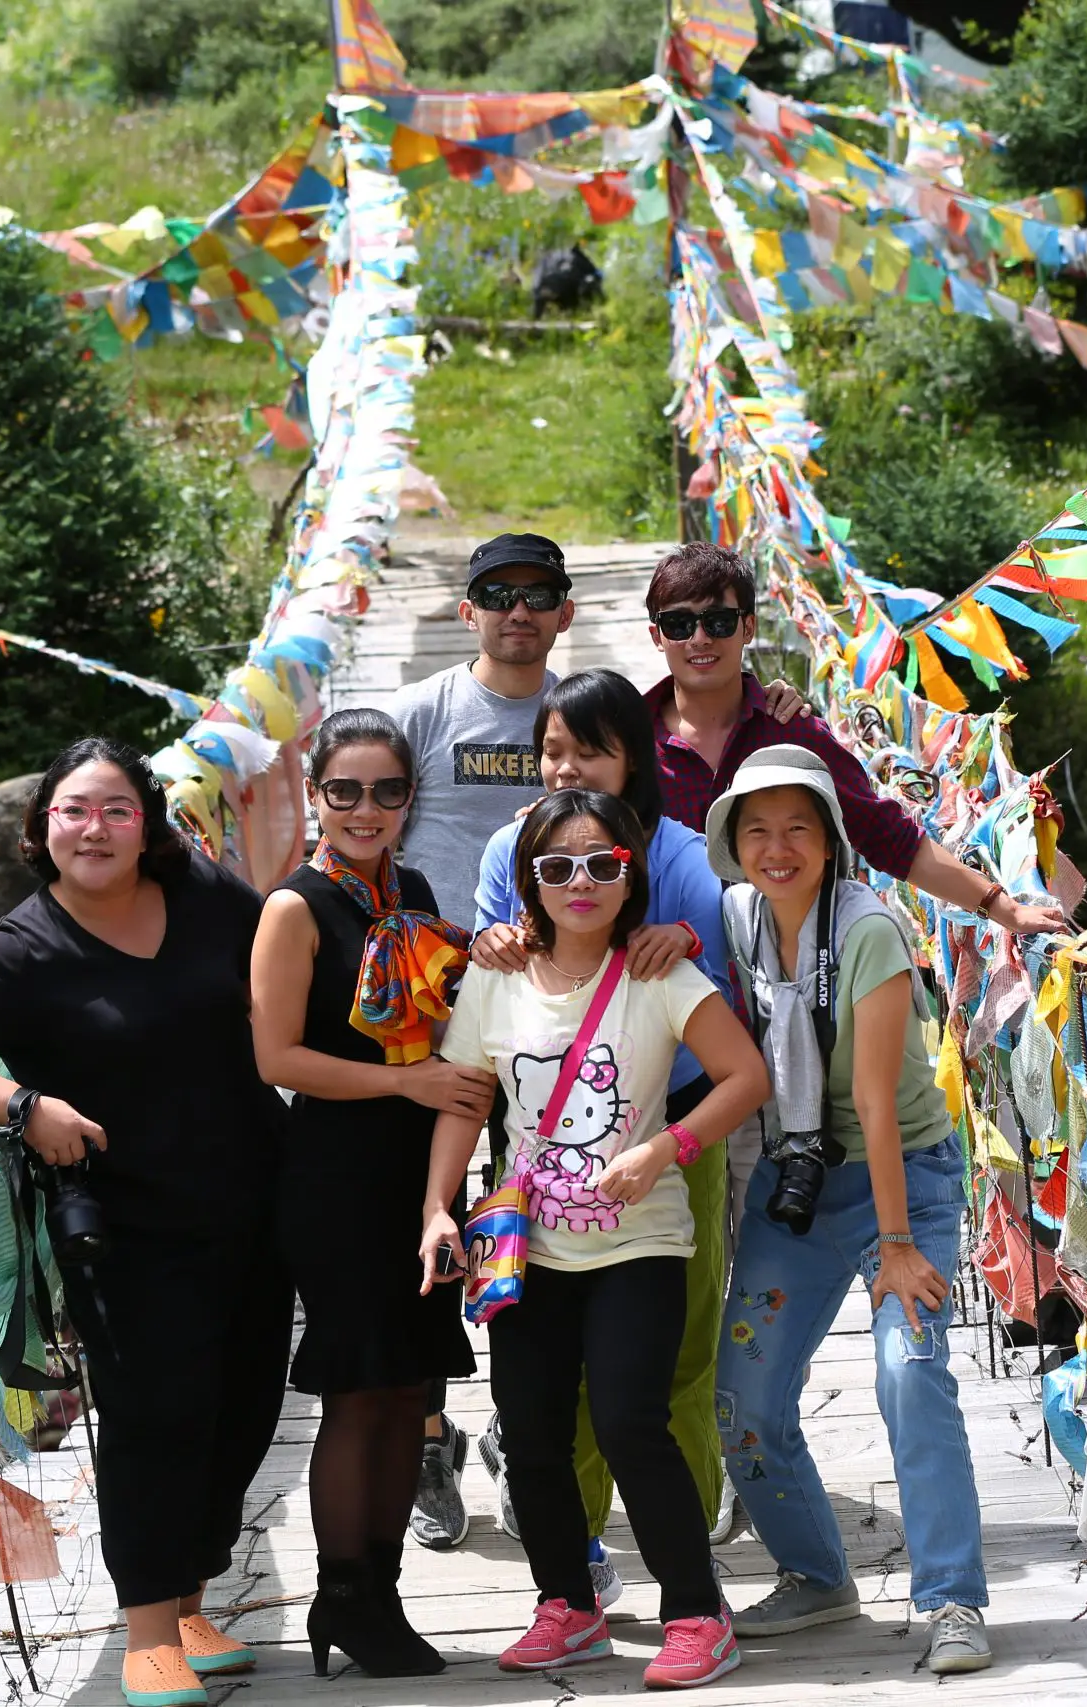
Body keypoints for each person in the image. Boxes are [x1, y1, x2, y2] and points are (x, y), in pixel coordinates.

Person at [0, 738, 292, 1707]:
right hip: (124, 1227)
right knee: (154, 1419)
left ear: (147, 825)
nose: (93, 827)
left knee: (241, 1413)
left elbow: (289, 954)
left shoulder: (204, 899)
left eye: (114, 809)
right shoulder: (23, 948)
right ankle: (147, 1628)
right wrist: (21, 1108)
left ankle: (189, 1603)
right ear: (41, 829)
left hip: (253, 1200)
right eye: (73, 810)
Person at [418, 790, 772, 1690]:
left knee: (627, 1422)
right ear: (529, 881)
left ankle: (695, 1610)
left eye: (602, 864)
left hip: (639, 1243)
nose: (581, 881)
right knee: (530, 1433)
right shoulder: (495, 977)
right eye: (557, 866)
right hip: (528, 1245)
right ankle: (568, 1605)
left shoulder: (663, 973)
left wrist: (667, 1148)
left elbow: (744, 1076)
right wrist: (437, 1210)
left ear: (630, 875)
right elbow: (465, 1098)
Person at [637, 540, 1070, 1242]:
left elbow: (887, 834)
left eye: (719, 621)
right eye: (679, 623)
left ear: (750, 626)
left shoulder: (790, 729)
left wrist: (999, 904)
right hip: (674, 1027)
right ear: (655, 634)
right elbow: (582, 833)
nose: (700, 639)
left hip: (793, 1025)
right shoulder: (632, 739)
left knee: (762, 1251)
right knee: (676, 1247)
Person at [703, 745, 991, 1674]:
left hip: (903, 1176)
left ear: (830, 842)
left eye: (798, 828)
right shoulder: (740, 915)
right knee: (741, 1393)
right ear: (733, 843)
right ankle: (816, 1573)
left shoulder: (870, 929)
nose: (776, 847)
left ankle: (953, 1600)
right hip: (801, 1174)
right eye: (756, 829)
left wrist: (898, 1249)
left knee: (910, 1370)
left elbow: (874, 1102)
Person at [464, 671, 739, 1600]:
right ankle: (571, 1565)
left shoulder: (685, 857)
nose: (566, 768)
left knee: (673, 1365)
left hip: (667, 1133)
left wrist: (684, 946)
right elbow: (495, 965)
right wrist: (492, 943)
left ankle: (688, 1560)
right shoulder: (516, 844)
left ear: (635, 758)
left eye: (589, 750)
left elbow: (715, 989)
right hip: (537, 1165)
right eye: (551, 750)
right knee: (546, 1400)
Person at [249, 710, 485, 1677]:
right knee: (356, 1392)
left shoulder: (413, 890)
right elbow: (278, 1056)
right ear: (316, 795)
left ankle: (377, 1593)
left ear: (409, 799)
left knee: (407, 1390)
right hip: (338, 1172)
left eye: (387, 790)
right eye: (343, 790)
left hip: (417, 1169)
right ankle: (343, 1595)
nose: (365, 808)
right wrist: (407, 1081)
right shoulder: (295, 908)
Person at [388, 529, 573, 1550]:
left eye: (535, 593)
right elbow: (363, 832)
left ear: (562, 612)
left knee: (543, 1215)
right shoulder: (418, 715)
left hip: (558, 1012)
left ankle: (518, 1418)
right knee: (431, 1223)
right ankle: (428, 1438)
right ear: (466, 612)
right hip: (433, 1016)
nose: (515, 609)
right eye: (495, 594)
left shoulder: (581, 718)